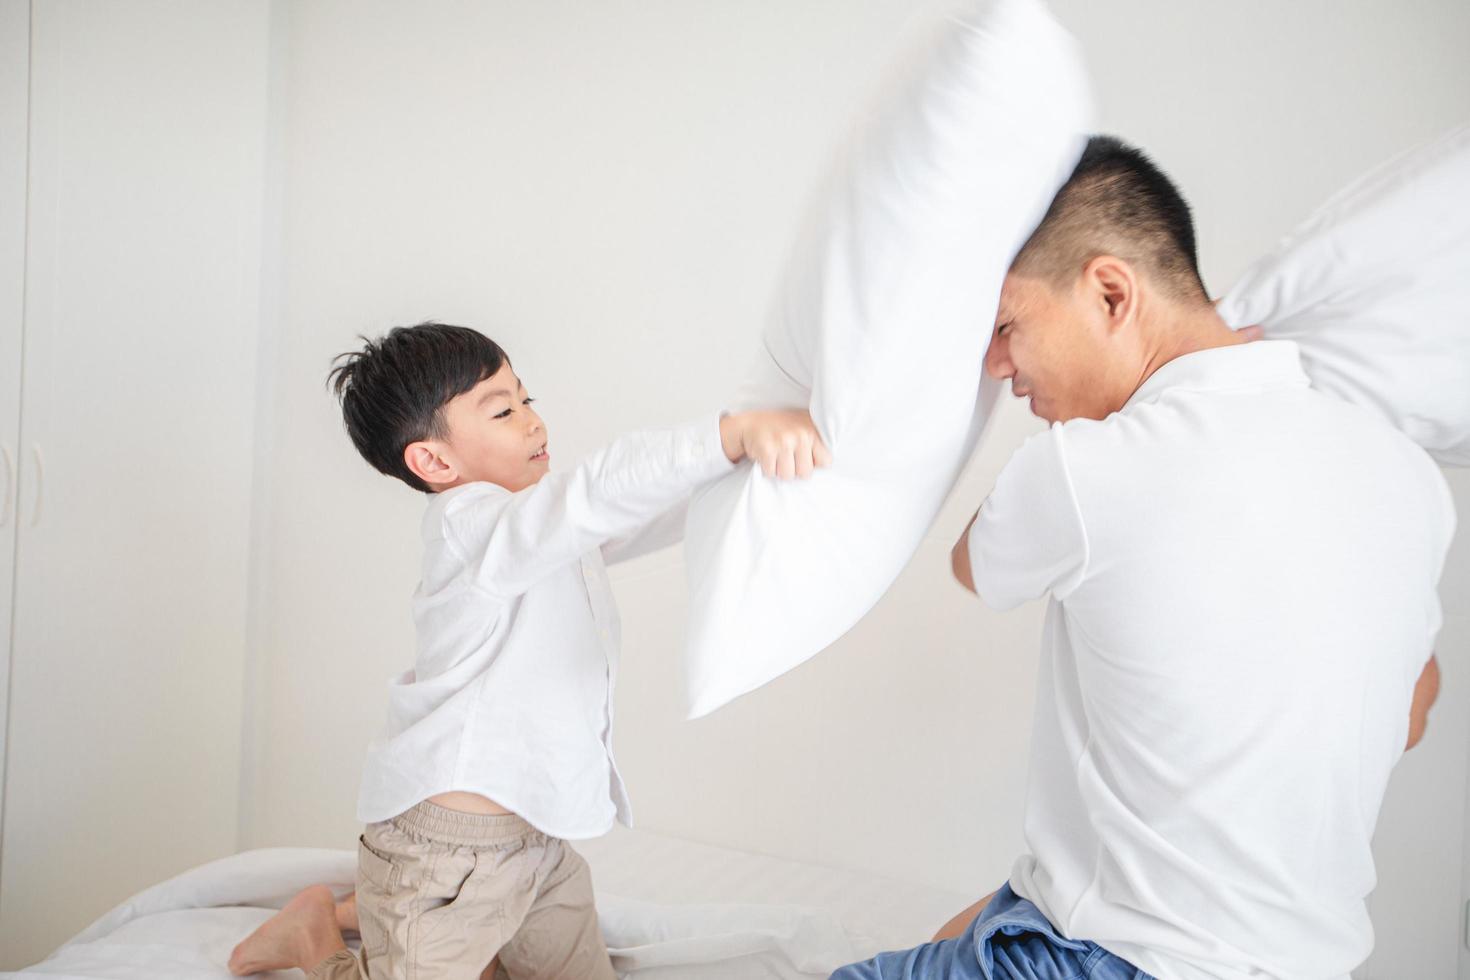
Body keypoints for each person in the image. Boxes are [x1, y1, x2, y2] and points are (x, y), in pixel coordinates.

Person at [831, 136, 1453, 980]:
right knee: (972, 921)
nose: (996, 365)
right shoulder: (1408, 475)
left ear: (1111, 292)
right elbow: (1413, 713)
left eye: (1007, 326)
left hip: (1118, 963)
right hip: (1305, 963)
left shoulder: (1088, 469)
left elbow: (973, 562)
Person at [228, 322, 831, 980]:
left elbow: (633, 512)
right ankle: (314, 934)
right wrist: (730, 434)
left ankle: (410, 926)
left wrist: (742, 470)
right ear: (434, 462)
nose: (533, 423)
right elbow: (598, 494)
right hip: (447, 856)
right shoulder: (475, 528)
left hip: (537, 844)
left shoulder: (533, 528)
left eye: (527, 399)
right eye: (503, 409)